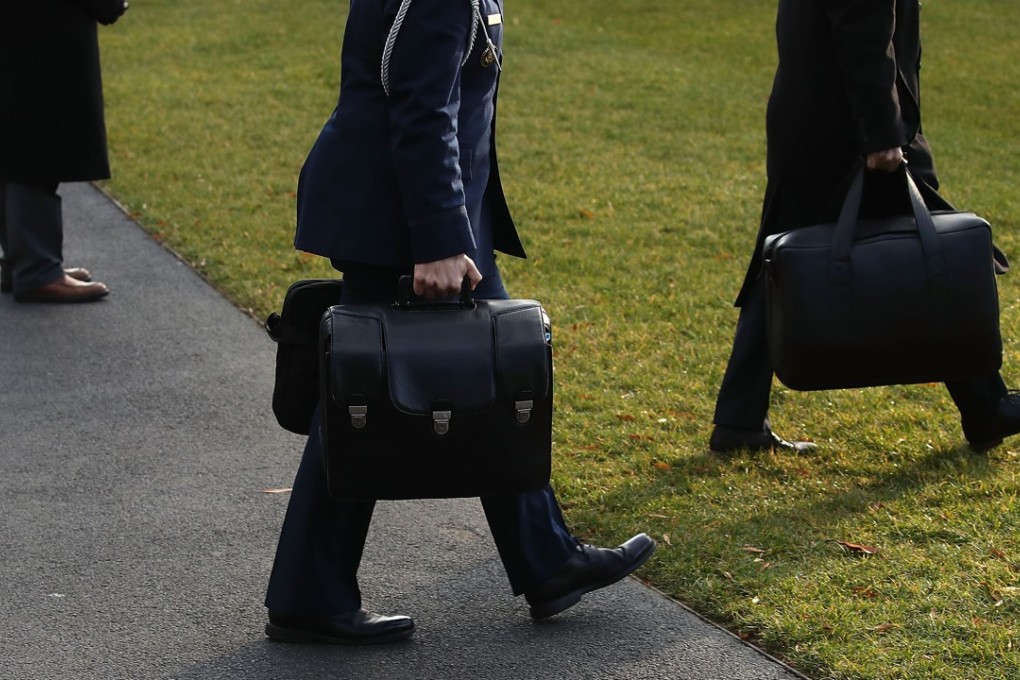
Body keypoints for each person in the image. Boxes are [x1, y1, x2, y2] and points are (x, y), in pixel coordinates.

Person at [264, 0, 655, 645]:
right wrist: (440, 239)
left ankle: (547, 560)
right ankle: (310, 593)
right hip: (405, 220)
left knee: (479, 382)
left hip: (421, 212)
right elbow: (422, 111)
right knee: (360, 400)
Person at [709, 0, 1020, 454]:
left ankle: (738, 420)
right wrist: (881, 133)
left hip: (816, 119)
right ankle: (985, 405)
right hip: (851, 130)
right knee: (930, 252)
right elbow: (862, 24)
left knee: (783, 265)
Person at [0, 0, 127, 303]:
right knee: (40, 134)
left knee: (17, 128)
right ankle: (37, 269)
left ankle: (21, 262)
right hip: (45, 19)